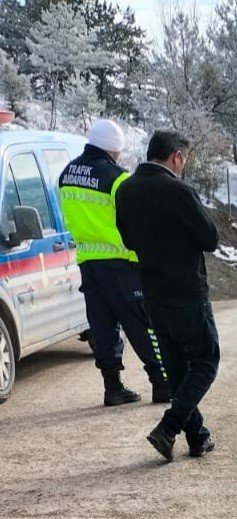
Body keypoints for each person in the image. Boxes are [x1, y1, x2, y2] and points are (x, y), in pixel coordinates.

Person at [115, 130, 220, 461]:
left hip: (153, 293)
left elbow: (128, 240)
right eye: (184, 160)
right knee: (206, 360)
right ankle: (169, 427)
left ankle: (197, 437)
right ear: (176, 157)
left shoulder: (126, 190)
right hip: (187, 291)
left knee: (177, 369)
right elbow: (210, 238)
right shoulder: (179, 190)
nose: (183, 166)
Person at [58, 119, 170, 407]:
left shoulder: (66, 174)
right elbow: (134, 220)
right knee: (141, 324)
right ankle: (162, 383)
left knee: (102, 324)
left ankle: (112, 388)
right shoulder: (118, 178)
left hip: (87, 261)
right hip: (120, 262)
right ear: (114, 149)